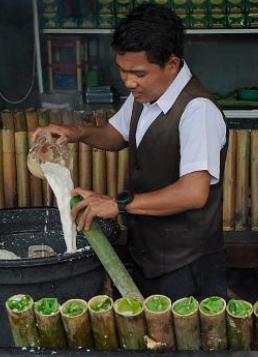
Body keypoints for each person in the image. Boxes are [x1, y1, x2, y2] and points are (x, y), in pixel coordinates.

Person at [35, 4, 228, 300]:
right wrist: (77, 133)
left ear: (172, 64)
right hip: (149, 254)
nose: (128, 82)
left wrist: (118, 205)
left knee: (186, 343)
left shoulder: (197, 111)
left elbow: (193, 193)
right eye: (122, 71)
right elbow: (115, 135)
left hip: (186, 265)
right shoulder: (146, 94)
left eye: (137, 73)